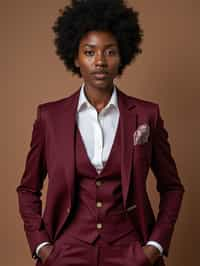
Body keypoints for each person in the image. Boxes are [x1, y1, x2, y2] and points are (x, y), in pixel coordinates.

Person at [16, 1, 185, 266]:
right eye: (89, 52)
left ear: (122, 57)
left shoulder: (147, 115)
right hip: (65, 251)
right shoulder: (49, 117)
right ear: (75, 58)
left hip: (132, 250)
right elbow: (28, 189)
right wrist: (42, 246)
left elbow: (172, 187)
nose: (100, 61)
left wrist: (153, 247)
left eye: (110, 52)